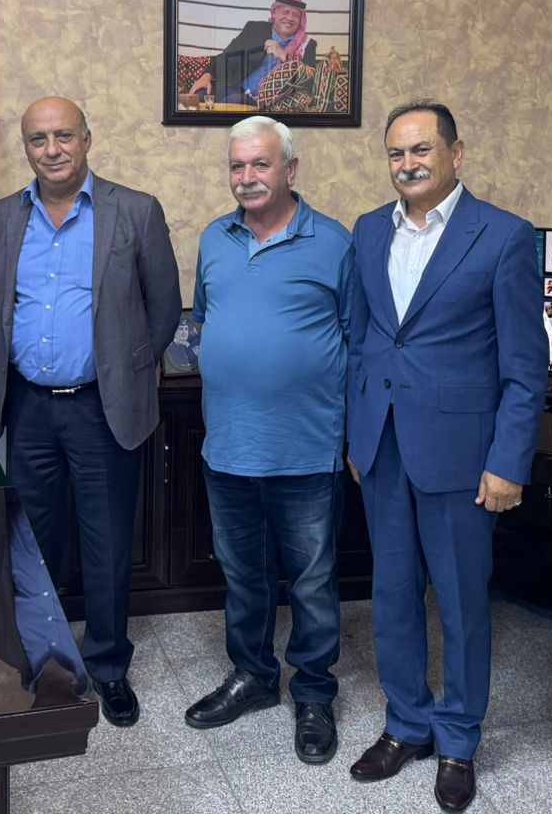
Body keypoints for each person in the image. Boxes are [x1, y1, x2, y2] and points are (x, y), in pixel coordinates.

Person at [344, 100, 547, 813]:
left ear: (457, 154)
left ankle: (458, 739)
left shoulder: (504, 236)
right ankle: (406, 724)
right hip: (382, 446)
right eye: (396, 153)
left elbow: (525, 364)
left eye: (422, 150)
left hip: (463, 454)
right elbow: (362, 340)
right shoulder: (369, 229)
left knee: (460, 602)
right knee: (392, 595)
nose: (408, 164)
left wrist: (510, 461)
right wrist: (356, 434)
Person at [0, 97, 181, 728]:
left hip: (102, 407)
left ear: (88, 139)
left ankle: (109, 667)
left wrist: (123, 370)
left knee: (107, 542)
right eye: (38, 138)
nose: (52, 149)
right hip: (27, 408)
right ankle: (43, 660)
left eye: (64, 135)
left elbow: (163, 309)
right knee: (33, 541)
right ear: (26, 147)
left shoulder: (135, 210)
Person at [185, 116, 354, 765]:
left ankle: (313, 692)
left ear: (290, 168)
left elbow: (357, 340)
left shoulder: (333, 243)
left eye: (260, 164)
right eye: (237, 166)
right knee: (243, 576)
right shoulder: (215, 238)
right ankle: (253, 676)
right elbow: (205, 322)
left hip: (308, 450)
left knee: (312, 581)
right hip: (228, 446)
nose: (247, 177)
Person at [189, 0, 319, 103]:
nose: (290, 18)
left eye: (296, 15)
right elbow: (226, 57)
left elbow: (308, 81)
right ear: (274, 13)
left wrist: (284, 56)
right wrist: (206, 75)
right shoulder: (254, 29)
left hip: (266, 100)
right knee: (198, 96)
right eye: (285, 12)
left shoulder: (307, 44)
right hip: (235, 87)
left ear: (301, 20)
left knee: (234, 101)